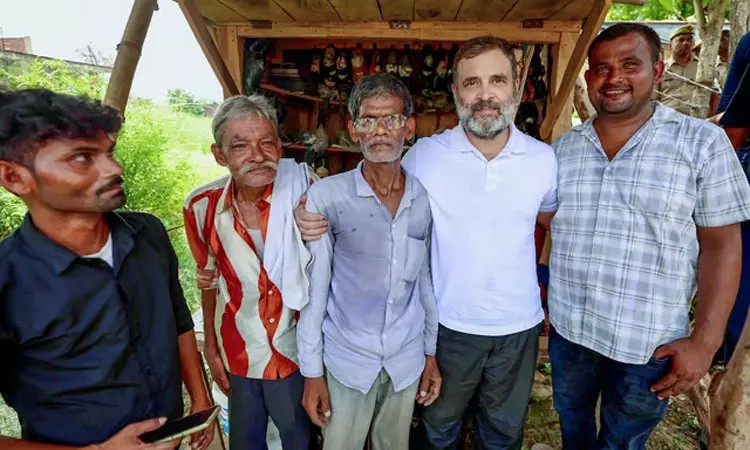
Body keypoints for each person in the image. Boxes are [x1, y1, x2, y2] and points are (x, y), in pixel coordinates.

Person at [297, 35, 557, 450]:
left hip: (516, 327)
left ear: (516, 86)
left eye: (497, 80)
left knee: (504, 433)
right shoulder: (424, 159)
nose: (485, 94)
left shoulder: (544, 160)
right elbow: (372, 185)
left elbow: (550, 221)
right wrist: (305, 212)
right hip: (447, 328)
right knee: (438, 431)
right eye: (471, 82)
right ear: (455, 92)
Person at [548, 23, 750, 450]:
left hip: (646, 344)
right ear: (588, 77)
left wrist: (705, 342)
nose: (614, 77)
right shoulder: (564, 150)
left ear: (657, 70)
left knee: (623, 441)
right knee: (573, 427)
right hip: (571, 332)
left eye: (630, 64)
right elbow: (553, 222)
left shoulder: (701, 144)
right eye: (601, 68)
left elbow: (722, 246)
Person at [0, 89, 213, 449]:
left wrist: (200, 397)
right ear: (14, 177)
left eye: (109, 152)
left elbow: (179, 321)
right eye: (82, 158)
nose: (115, 169)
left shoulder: (148, 235)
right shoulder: (8, 282)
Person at [297, 73, 440, 450]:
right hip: (347, 361)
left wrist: (430, 352)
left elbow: (425, 282)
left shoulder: (425, 198)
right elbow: (315, 292)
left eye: (391, 119)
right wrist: (312, 372)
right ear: (353, 129)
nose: (380, 131)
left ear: (409, 128)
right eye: (369, 120)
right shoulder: (327, 197)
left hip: (405, 359)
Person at [182, 94, 311, 450]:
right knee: (245, 441)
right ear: (219, 155)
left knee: (298, 439)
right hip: (239, 348)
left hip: (295, 350)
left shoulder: (306, 194)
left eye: (267, 142)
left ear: (279, 147)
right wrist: (211, 348)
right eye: (240, 146)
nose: (257, 155)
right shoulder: (202, 207)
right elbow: (208, 281)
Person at [657, 24, 700, 116]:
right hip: (668, 117)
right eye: (681, 40)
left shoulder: (702, 67)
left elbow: (714, 96)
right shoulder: (661, 69)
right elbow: (652, 99)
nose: (685, 43)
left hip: (697, 118)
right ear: (671, 45)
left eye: (689, 39)